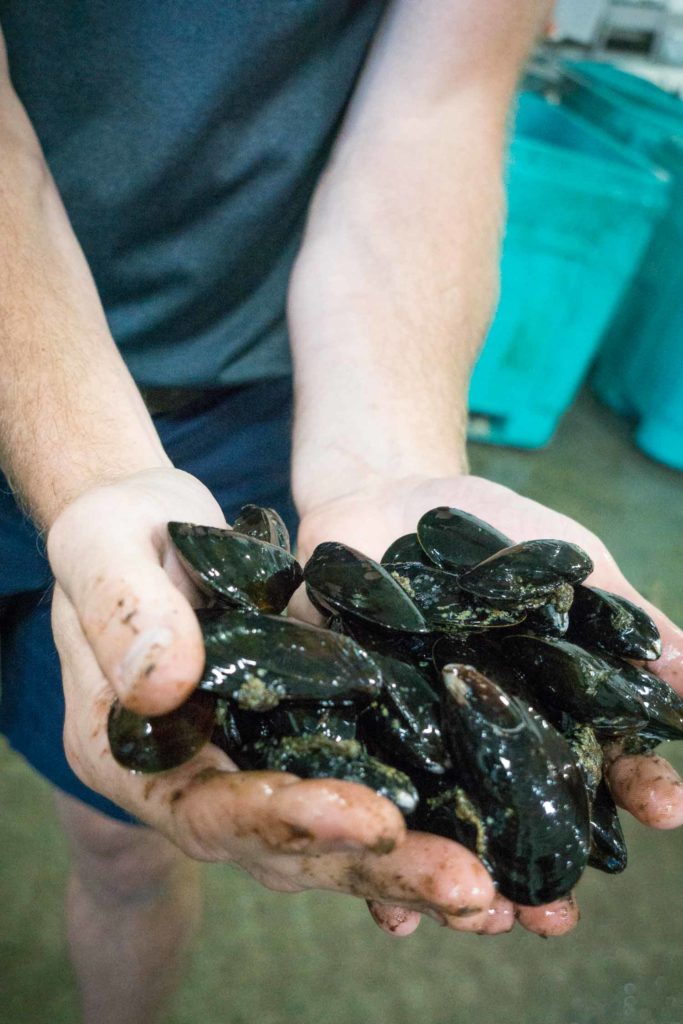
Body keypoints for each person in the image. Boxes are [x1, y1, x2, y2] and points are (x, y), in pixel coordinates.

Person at [1, 2, 682, 1022]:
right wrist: (83, 458)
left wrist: (390, 453)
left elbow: (432, 108)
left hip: (249, 393)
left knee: (121, 838)